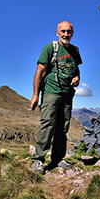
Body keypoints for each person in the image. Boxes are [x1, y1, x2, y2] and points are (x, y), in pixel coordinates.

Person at [30, 21, 82, 174]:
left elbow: (76, 69)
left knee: (63, 127)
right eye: (63, 31)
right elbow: (39, 71)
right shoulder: (50, 48)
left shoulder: (75, 50)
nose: (66, 34)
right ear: (57, 32)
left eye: (69, 31)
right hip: (51, 93)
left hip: (67, 94)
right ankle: (38, 160)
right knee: (47, 125)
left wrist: (77, 78)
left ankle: (58, 158)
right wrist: (35, 95)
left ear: (72, 33)